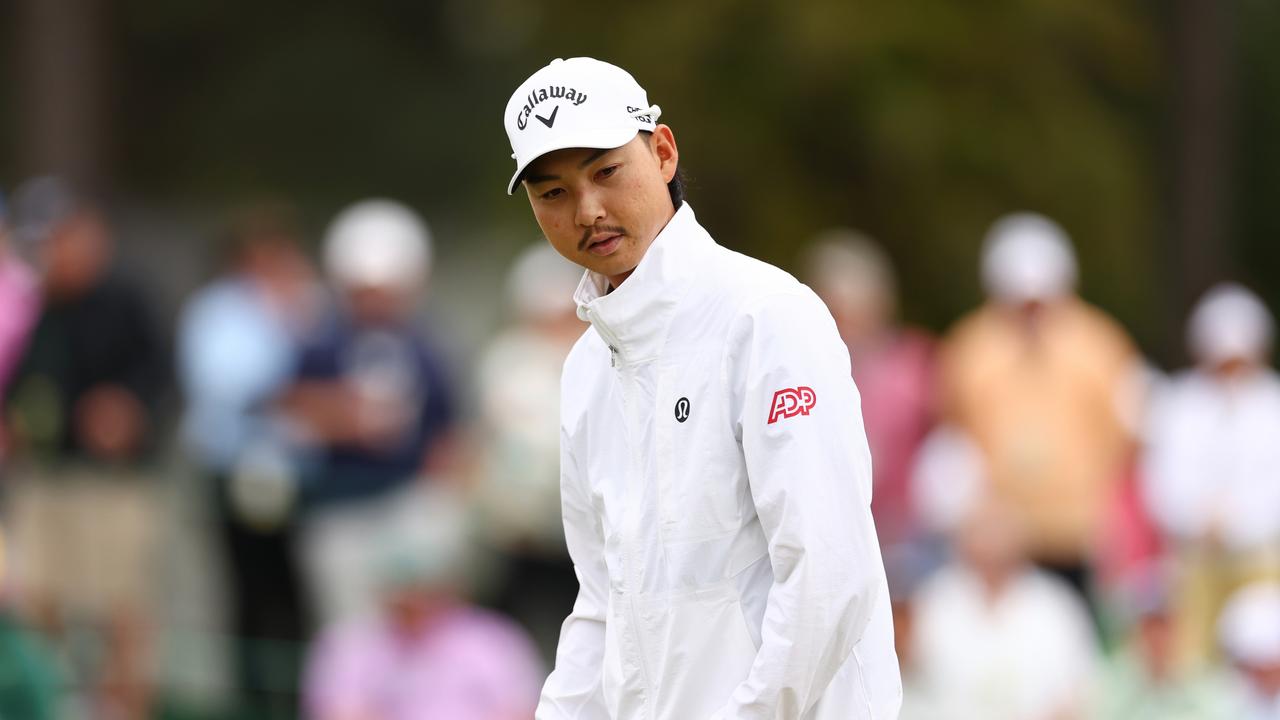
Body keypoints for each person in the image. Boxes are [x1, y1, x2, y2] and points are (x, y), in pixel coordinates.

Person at [503, 57, 901, 719]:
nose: (588, 210)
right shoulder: (584, 371)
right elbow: (604, 604)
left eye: (606, 172)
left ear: (662, 152)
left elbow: (827, 575)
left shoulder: (767, 317)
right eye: (553, 193)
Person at [937, 213, 1142, 607]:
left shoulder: (1100, 345)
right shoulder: (970, 349)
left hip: (1077, 533)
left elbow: (1127, 436)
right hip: (997, 539)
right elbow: (954, 438)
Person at [282, 198, 458, 626]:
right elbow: (292, 412)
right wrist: (343, 418)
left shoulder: (425, 346)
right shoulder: (320, 342)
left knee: (415, 623)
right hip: (337, 505)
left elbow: (448, 429)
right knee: (349, 625)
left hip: (405, 501)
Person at [176, 204, 321, 717]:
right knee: (249, 592)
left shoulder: (303, 303)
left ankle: (298, 698)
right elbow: (230, 384)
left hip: (300, 472)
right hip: (235, 468)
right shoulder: (218, 310)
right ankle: (252, 698)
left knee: (299, 592)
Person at [303, 484, 544, 720]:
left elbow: (523, 712)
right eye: (402, 582)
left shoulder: (496, 640)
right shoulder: (349, 645)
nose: (415, 596)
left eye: (426, 583)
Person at [1140, 283, 1280, 667]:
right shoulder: (1181, 404)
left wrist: (1238, 522)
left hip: (1260, 557)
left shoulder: (1272, 403)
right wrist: (1198, 520)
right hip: (1194, 556)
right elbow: (1162, 481)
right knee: (1192, 657)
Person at [799, 231, 935, 554]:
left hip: (907, 536)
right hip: (826, 535)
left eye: (852, 310)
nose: (846, 324)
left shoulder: (915, 368)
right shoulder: (798, 371)